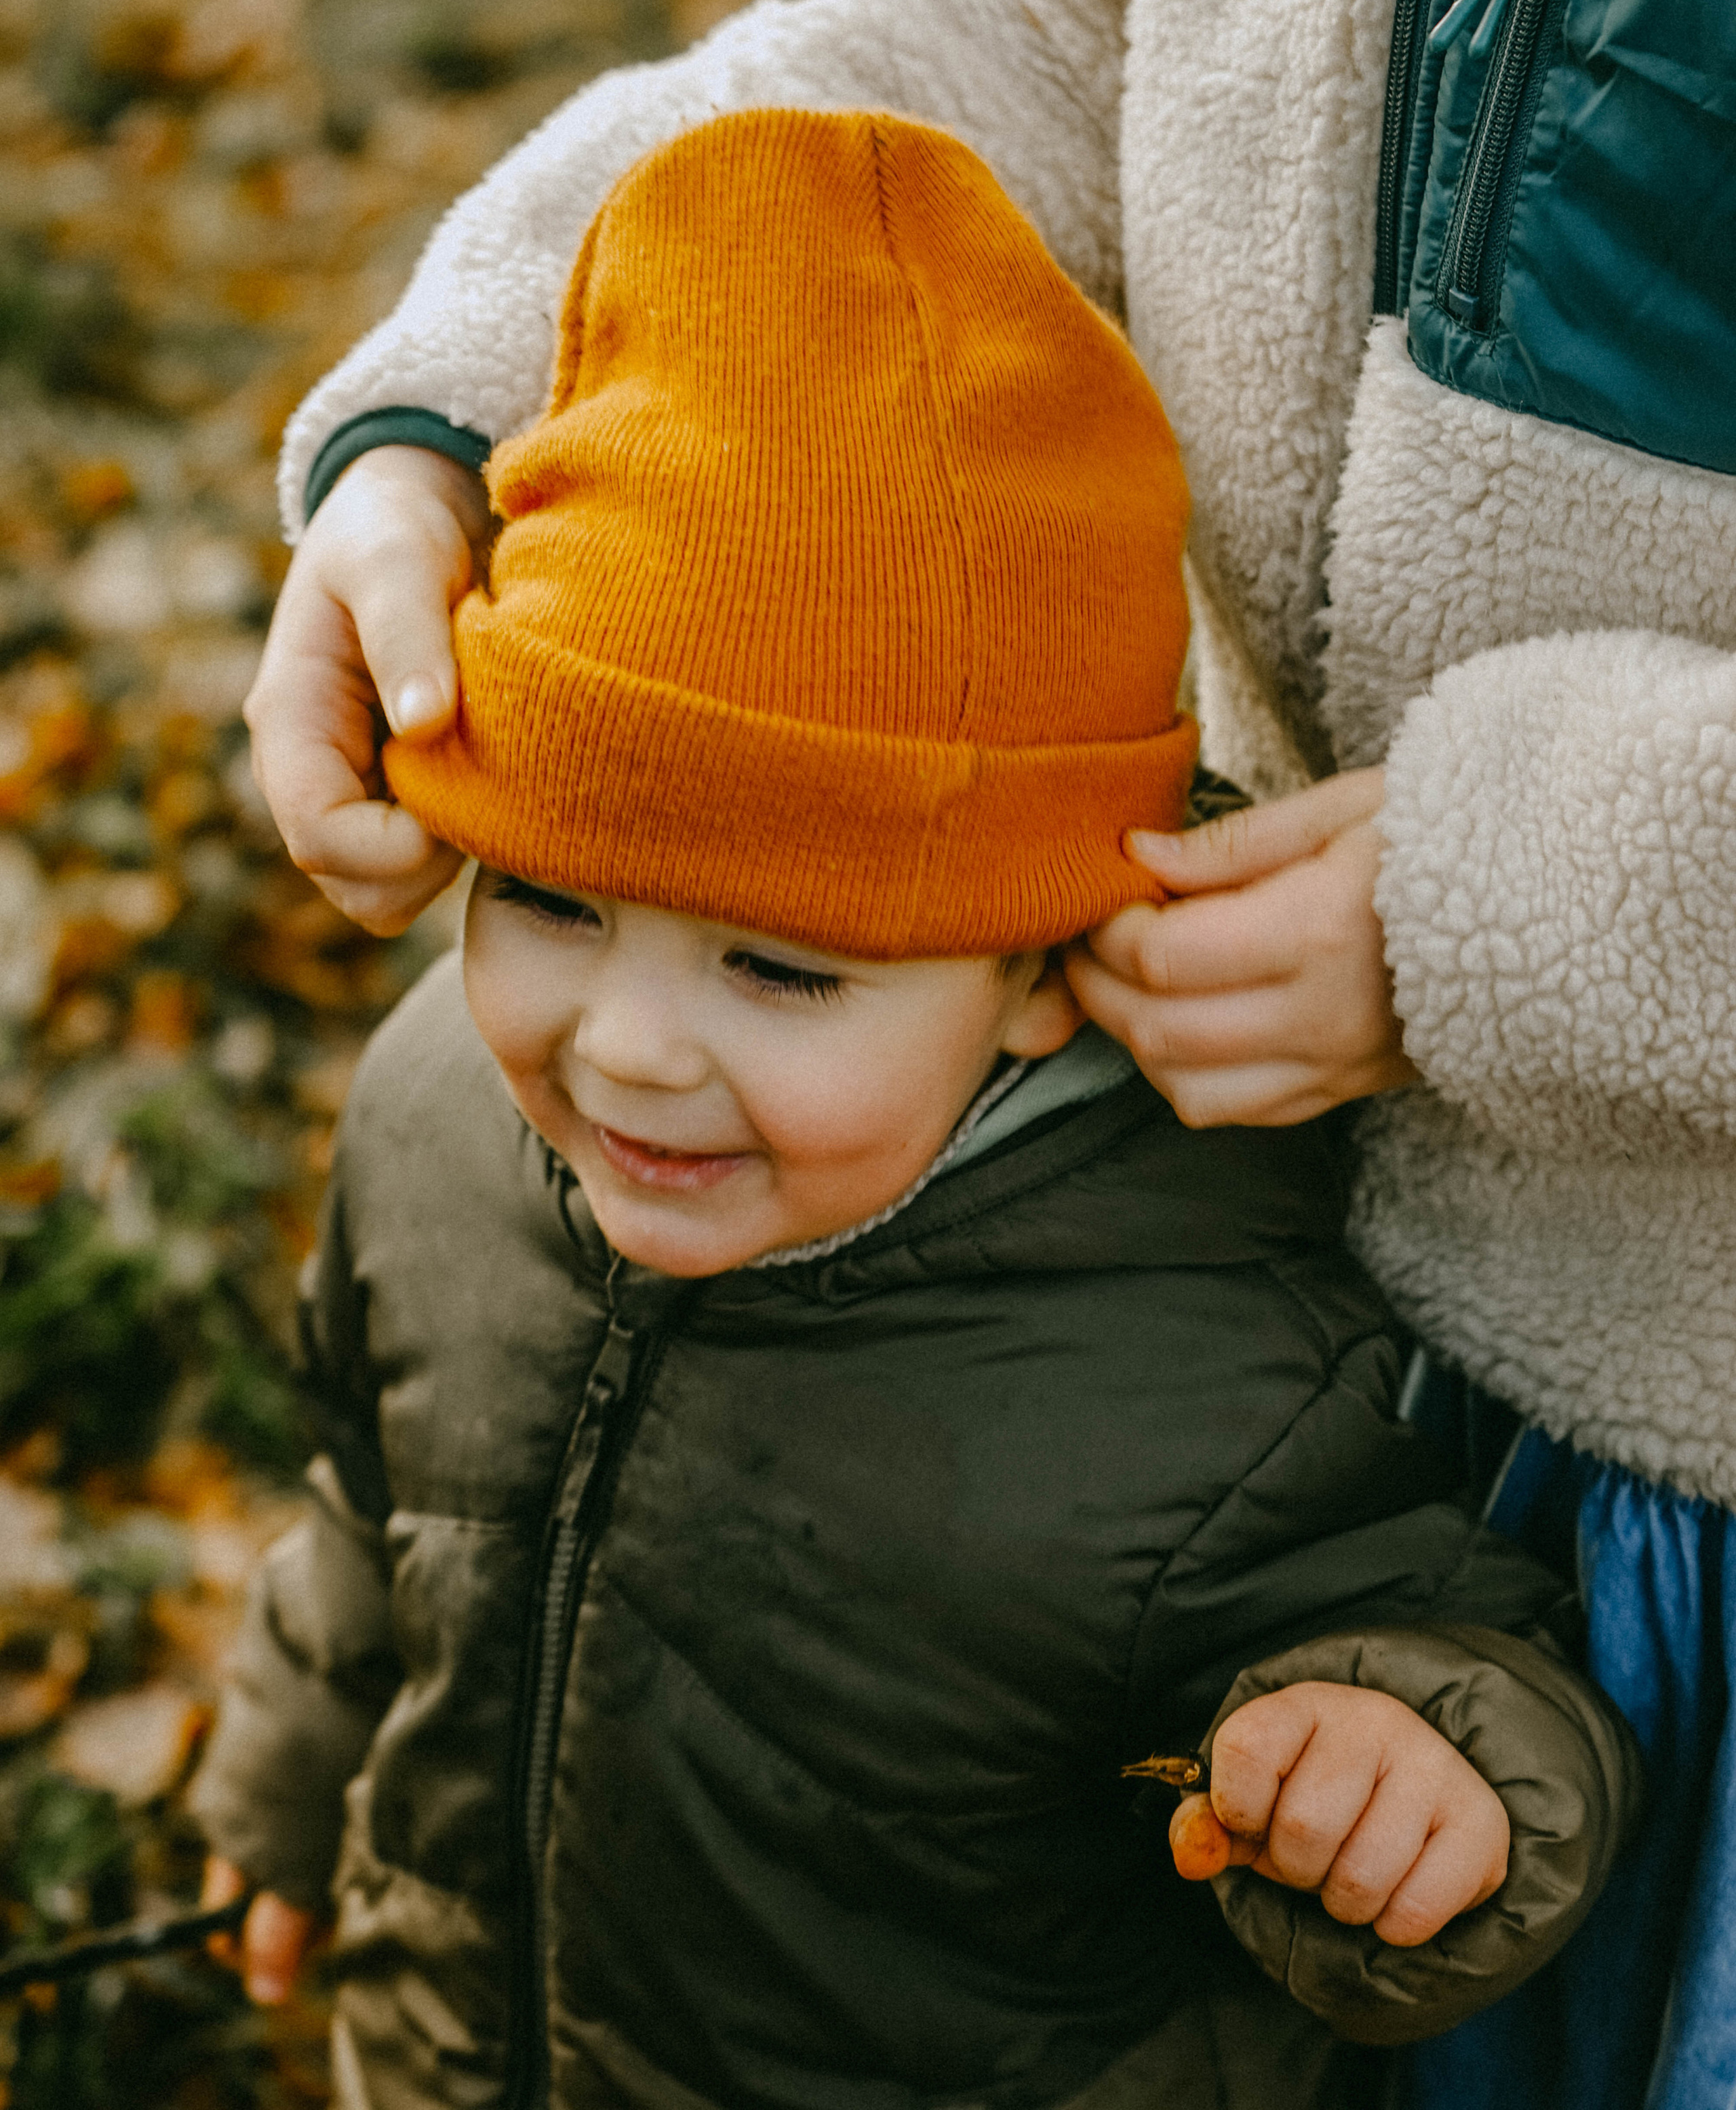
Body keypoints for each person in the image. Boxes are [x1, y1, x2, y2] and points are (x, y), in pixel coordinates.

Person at [239, 0, 1736, 2101]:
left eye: (771, 963)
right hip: (1318, 1200)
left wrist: (1548, 891)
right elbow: (980, 20)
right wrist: (495, 415)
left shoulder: (1199, 1424)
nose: (628, 1051)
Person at [196, 111, 1636, 2110]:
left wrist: (1413, 1774)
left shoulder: (1199, 1336)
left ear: (1045, 965)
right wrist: (283, 1790)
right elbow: (378, 1518)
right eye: (544, 898)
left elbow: (1449, 1659)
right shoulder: (438, 1112)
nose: (621, 1046)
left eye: (780, 969)